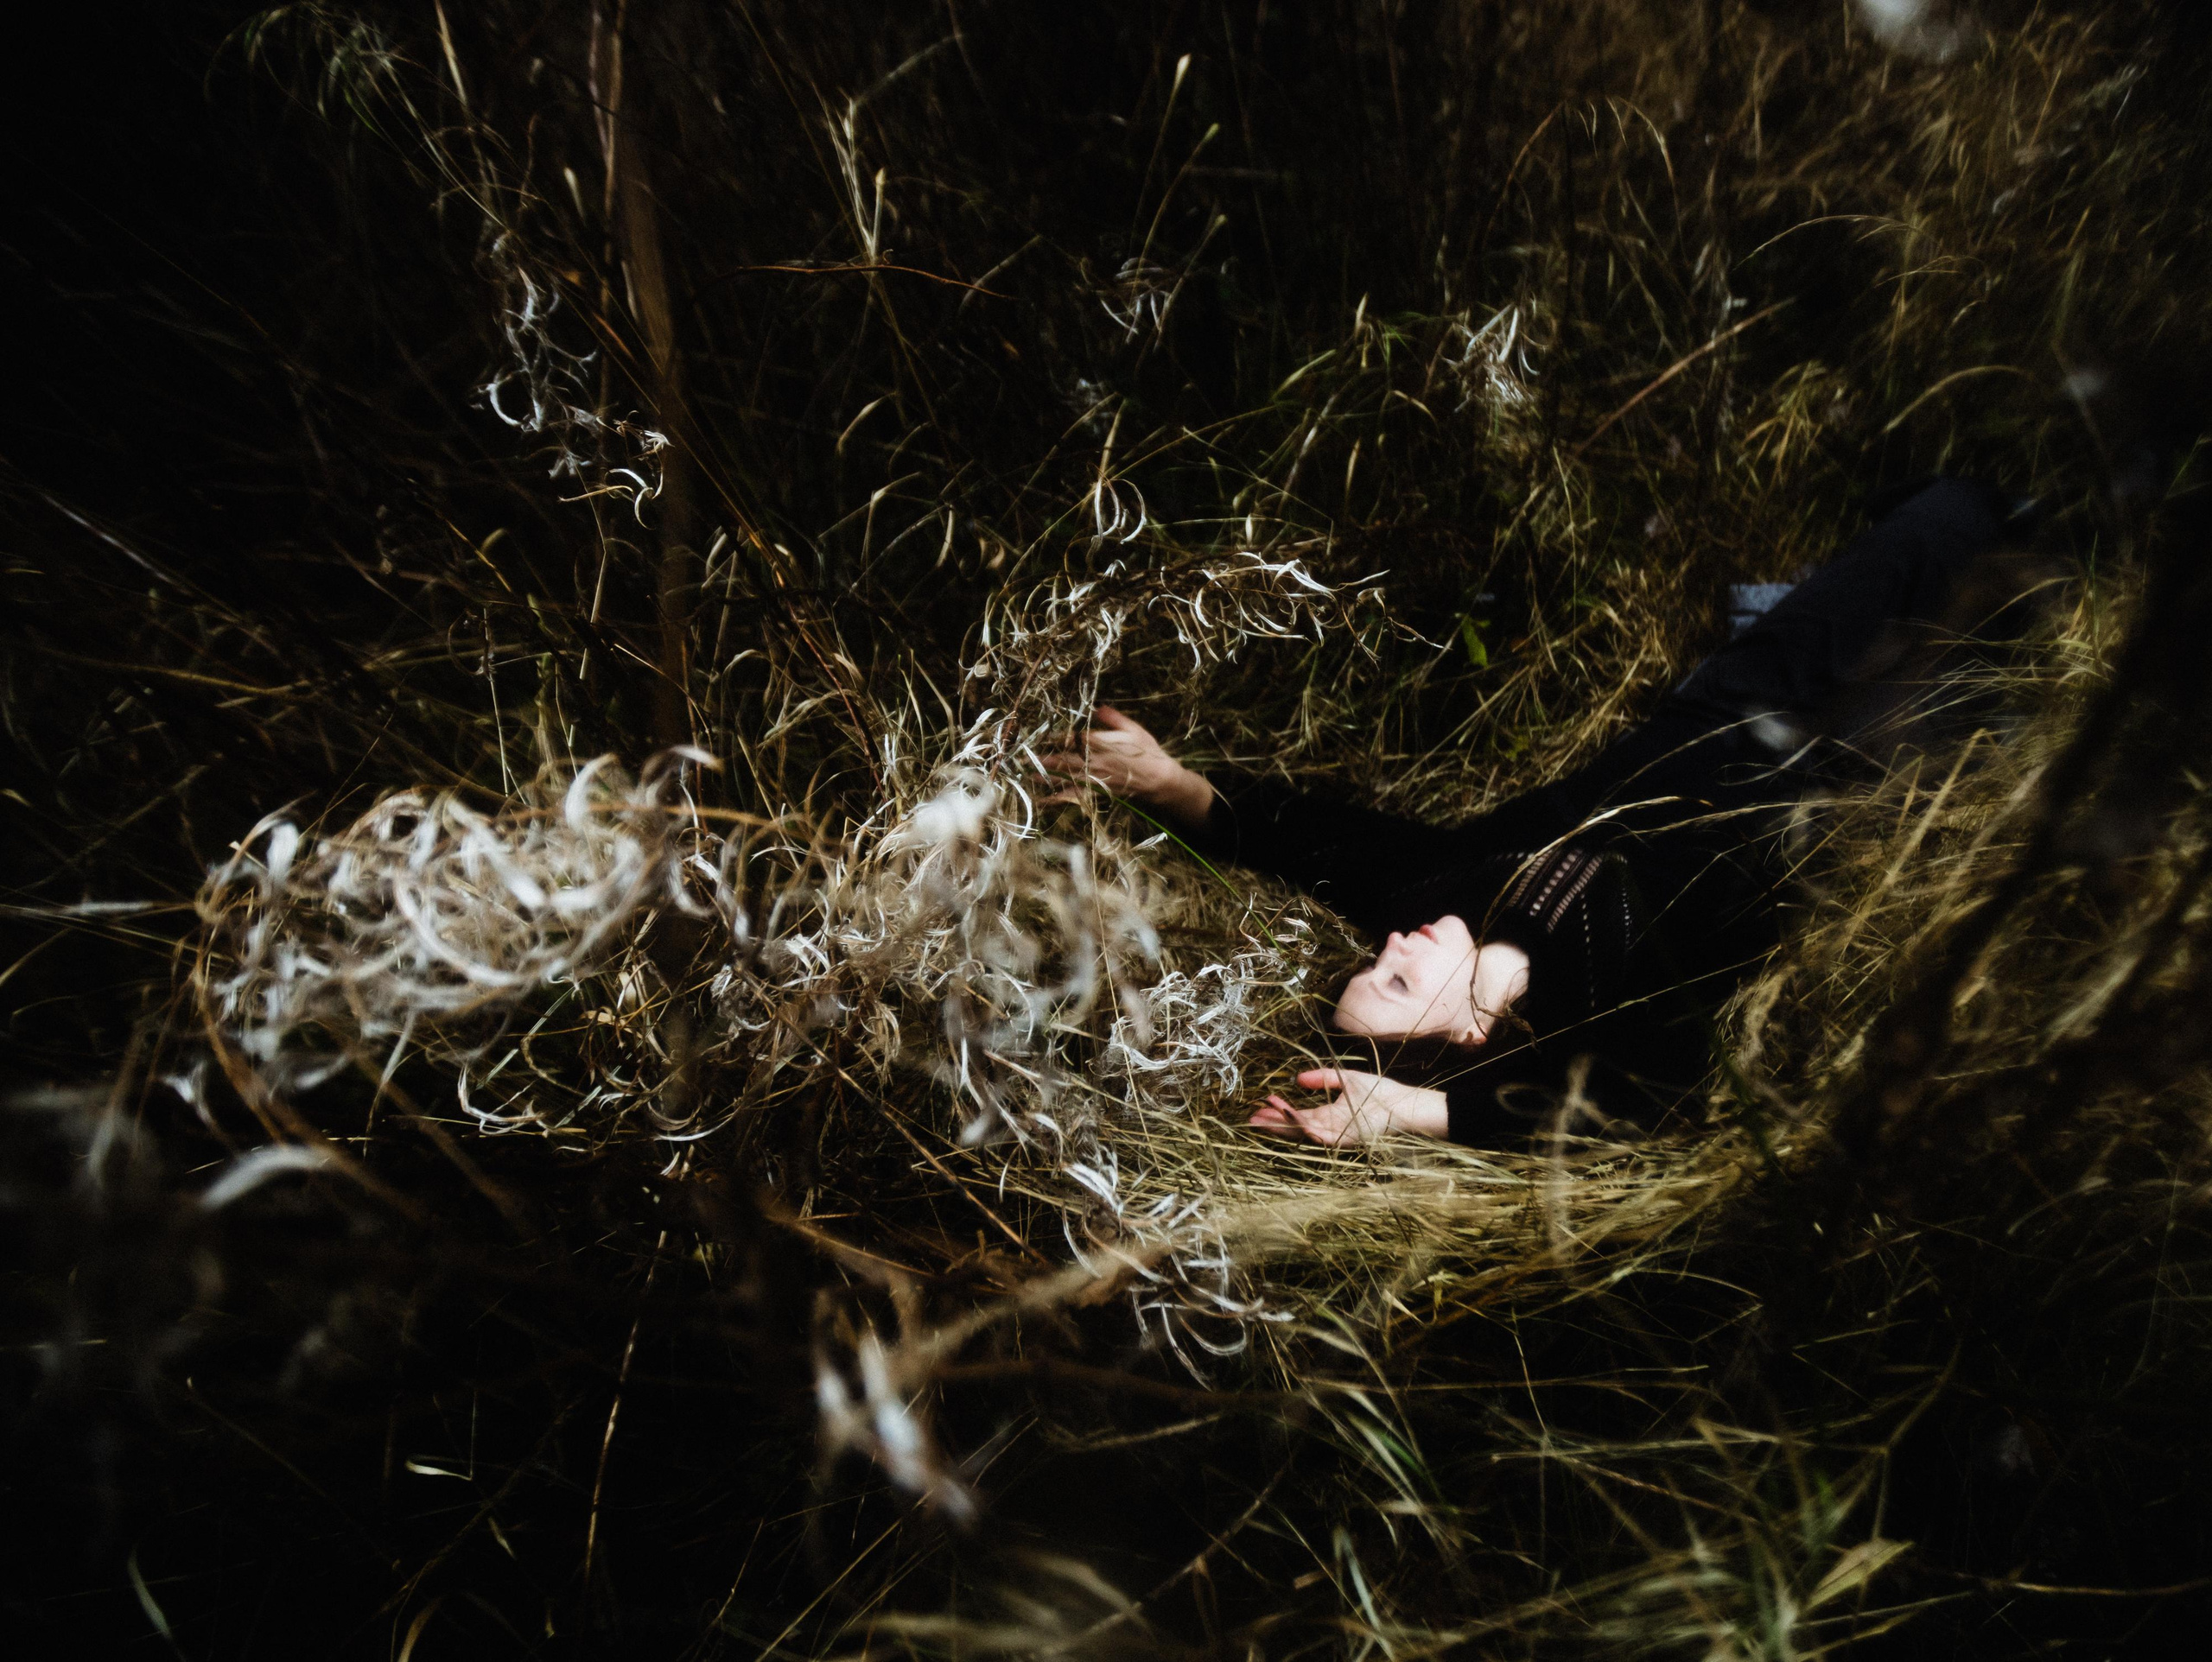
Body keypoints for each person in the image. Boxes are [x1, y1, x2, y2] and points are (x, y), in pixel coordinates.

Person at [1046, 479, 2040, 1147]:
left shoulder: (1448, 884)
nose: (1389, 939)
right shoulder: (1601, 1016)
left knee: (1943, 522)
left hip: (1729, 700)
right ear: (1467, 1036)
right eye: (1393, 978)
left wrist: (1178, 789)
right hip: (1837, 779)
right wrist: (1416, 1113)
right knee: (2004, 657)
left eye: (1374, 955)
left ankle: (2021, 501)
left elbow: (1328, 844)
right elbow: (1641, 1105)